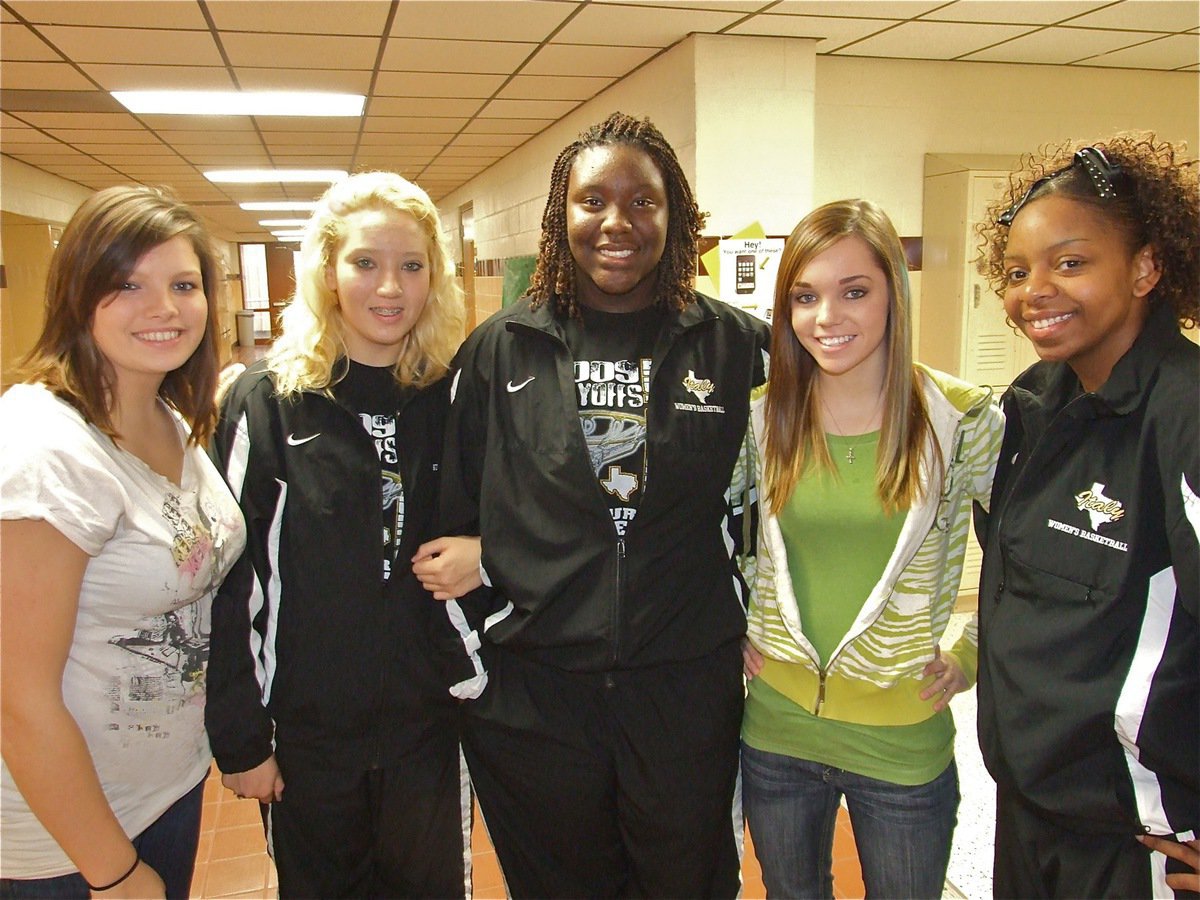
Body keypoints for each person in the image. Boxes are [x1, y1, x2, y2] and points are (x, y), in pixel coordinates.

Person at [435, 111, 769, 898]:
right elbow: (454, 520)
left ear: (675, 215)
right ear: (563, 216)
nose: (617, 222)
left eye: (643, 202)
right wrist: (479, 668)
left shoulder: (734, 347)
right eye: (593, 202)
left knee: (689, 882)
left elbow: (788, 489)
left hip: (683, 690)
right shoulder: (501, 349)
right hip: (536, 700)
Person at [206, 171, 480, 898]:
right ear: (327, 273)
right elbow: (230, 578)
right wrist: (240, 735)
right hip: (310, 735)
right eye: (365, 262)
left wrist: (487, 557)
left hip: (429, 729)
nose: (389, 286)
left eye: (411, 266)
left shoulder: (453, 397)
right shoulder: (266, 402)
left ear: (433, 281)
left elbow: (508, 522)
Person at [739, 199, 1004, 898]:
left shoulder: (959, 418)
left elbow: (1032, 557)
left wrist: (974, 650)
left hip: (901, 737)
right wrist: (730, 620)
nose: (828, 318)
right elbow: (720, 534)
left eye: (854, 291)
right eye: (806, 296)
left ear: (894, 292)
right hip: (776, 729)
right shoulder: (763, 417)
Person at [0, 185, 246, 899]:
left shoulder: (165, 414)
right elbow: (17, 695)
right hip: (63, 843)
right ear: (78, 294)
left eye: (183, 284)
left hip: (160, 792)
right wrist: (110, 874)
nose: (164, 308)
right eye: (127, 285)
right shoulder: (44, 449)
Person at [975, 132, 1199, 898]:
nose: (1035, 289)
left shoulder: (1185, 415)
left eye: (1070, 263)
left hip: (1138, 832)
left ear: (1145, 268)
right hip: (1030, 809)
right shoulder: (1035, 403)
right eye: (1017, 271)